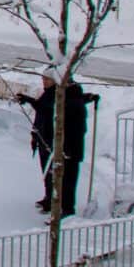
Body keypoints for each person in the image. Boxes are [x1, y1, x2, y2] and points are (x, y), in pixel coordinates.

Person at [55, 80, 94, 217]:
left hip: (70, 150)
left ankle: (67, 209)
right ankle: (65, 207)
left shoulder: (71, 105)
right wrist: (89, 97)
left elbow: (75, 130)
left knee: (67, 181)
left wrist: (67, 149)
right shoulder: (75, 99)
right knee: (67, 180)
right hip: (73, 149)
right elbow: (79, 99)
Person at [23, 72, 59, 212]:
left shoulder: (55, 94)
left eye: (47, 79)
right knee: (45, 170)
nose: (44, 81)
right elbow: (40, 113)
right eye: (43, 79)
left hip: (48, 137)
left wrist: (30, 100)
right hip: (42, 136)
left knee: (50, 170)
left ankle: (52, 200)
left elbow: (45, 109)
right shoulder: (47, 93)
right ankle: (48, 197)